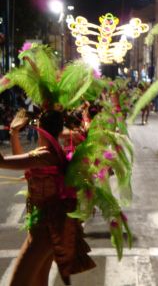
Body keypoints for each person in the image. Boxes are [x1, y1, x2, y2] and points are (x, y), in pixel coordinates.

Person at [1, 109, 96, 286]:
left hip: (45, 230)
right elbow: (20, 160)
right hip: (45, 227)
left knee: (17, 283)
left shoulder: (44, 156)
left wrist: (13, 131)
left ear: (40, 128)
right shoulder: (49, 152)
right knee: (39, 282)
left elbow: (3, 162)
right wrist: (13, 133)